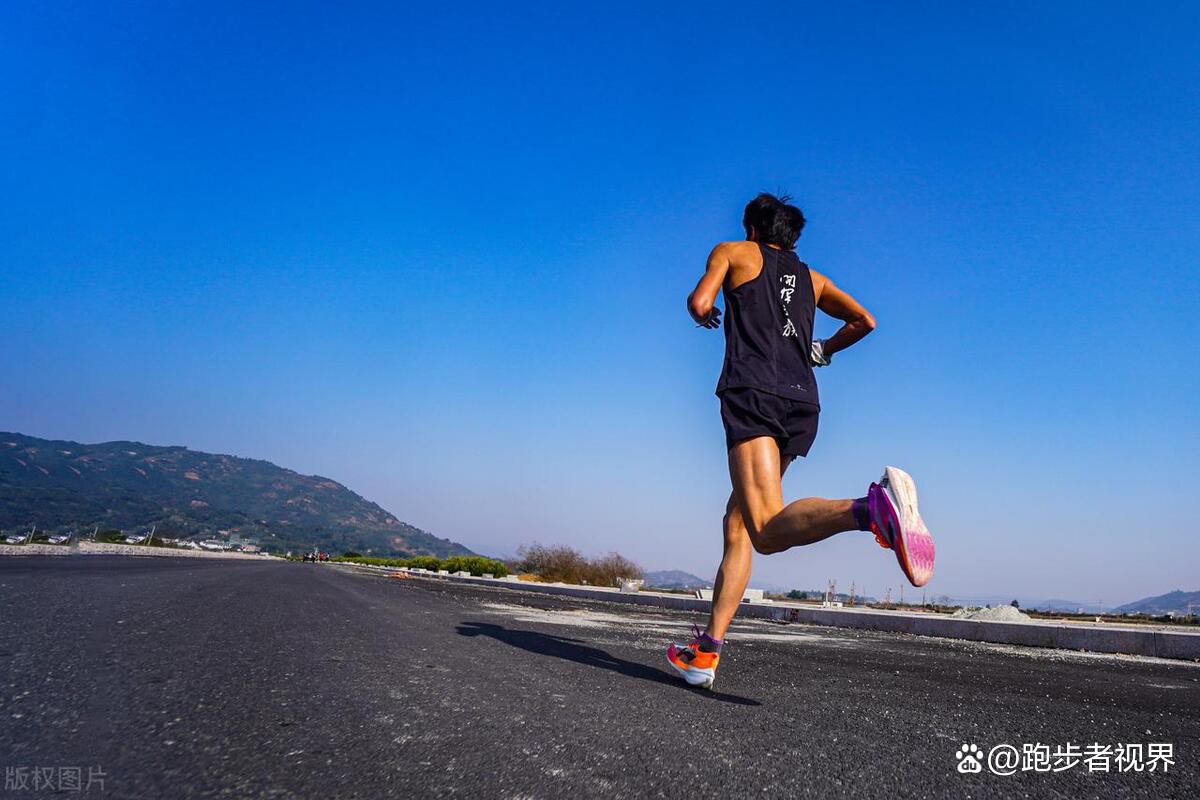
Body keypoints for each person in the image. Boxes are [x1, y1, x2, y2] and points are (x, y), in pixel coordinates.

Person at [666, 193, 935, 689]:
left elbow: (700, 302)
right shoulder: (814, 280)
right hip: (801, 403)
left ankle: (869, 510)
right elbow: (865, 321)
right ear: (793, 236)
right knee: (739, 522)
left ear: (752, 227)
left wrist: (705, 314)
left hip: (753, 395)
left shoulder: (732, 251)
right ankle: (705, 653)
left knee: (764, 529)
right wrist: (824, 350)